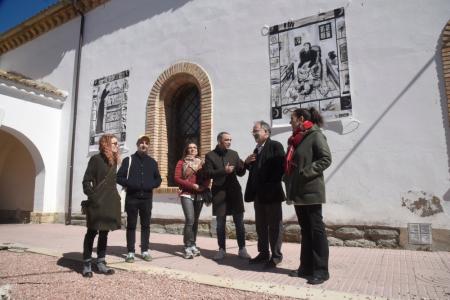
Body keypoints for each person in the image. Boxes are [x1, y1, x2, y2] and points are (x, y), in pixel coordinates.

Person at [283, 107, 332, 285]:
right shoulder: (297, 140)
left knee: (316, 230)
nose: (290, 122)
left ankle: (321, 270)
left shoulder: (315, 135)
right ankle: (306, 267)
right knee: (305, 230)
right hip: (298, 191)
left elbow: (326, 159)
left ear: (301, 119)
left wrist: (306, 172)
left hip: (311, 189)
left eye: (292, 119)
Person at [244, 121, 285, 269]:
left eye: (256, 131)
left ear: (266, 132)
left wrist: (267, 184)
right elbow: (256, 170)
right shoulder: (256, 150)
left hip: (271, 194)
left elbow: (280, 168)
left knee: (274, 226)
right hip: (258, 195)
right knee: (260, 226)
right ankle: (263, 253)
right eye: (253, 131)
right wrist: (247, 163)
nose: (254, 133)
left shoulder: (275, 146)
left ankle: (276, 256)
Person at [204, 132, 251, 260]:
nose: (229, 142)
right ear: (220, 141)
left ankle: (242, 249)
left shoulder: (234, 154)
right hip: (219, 193)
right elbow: (207, 173)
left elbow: (240, 173)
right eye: (226, 140)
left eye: (230, 139)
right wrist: (223, 171)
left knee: (239, 223)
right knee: (220, 223)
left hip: (234, 192)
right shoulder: (210, 156)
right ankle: (221, 250)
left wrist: (245, 164)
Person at [81, 133, 122, 277]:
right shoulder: (95, 159)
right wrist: (93, 198)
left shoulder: (114, 161)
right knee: (92, 232)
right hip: (97, 202)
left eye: (117, 143)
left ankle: (101, 262)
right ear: (106, 144)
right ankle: (86, 263)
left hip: (110, 202)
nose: (117, 145)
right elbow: (86, 181)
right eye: (115, 143)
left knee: (104, 233)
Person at [117, 135, 162, 263]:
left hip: (147, 199)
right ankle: (130, 252)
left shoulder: (152, 162)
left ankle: (145, 251)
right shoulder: (128, 160)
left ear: (148, 145)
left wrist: (150, 185)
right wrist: (130, 184)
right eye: (141, 142)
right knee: (131, 225)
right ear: (137, 144)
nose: (144, 145)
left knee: (146, 226)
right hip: (132, 198)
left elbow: (158, 179)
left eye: (146, 143)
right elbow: (119, 177)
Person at [174, 142, 210, 259]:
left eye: (194, 147)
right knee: (190, 219)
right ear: (186, 150)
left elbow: (207, 177)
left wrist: (203, 187)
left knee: (195, 221)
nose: (192, 149)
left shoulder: (202, 163)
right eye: (189, 148)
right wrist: (192, 186)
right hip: (186, 194)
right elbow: (177, 178)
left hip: (199, 195)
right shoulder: (181, 162)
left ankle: (193, 244)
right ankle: (187, 246)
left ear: (197, 150)